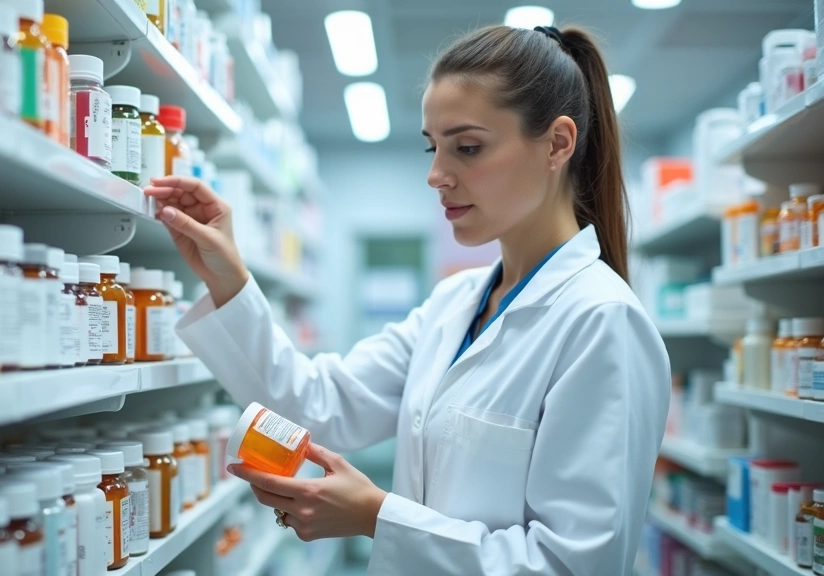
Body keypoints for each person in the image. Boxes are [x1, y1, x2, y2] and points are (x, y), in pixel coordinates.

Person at [145, 24, 669, 576]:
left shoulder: (602, 323)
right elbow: (315, 407)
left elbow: (574, 565)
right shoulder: (456, 303)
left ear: (558, 144)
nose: (437, 175)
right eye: (433, 147)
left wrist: (379, 518)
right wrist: (228, 277)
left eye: (467, 147)